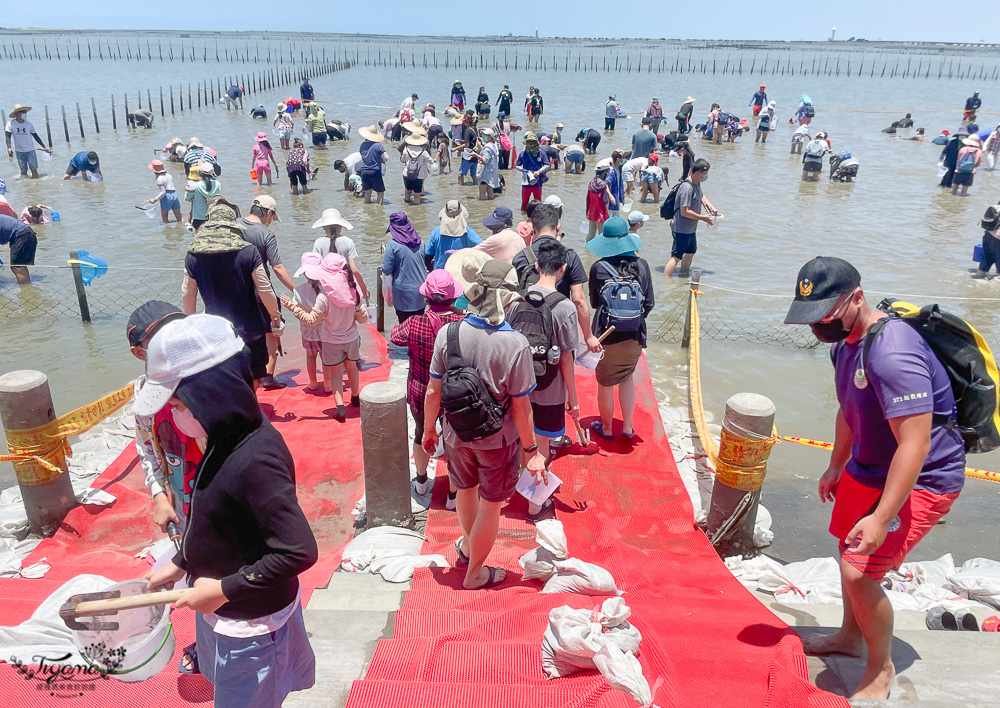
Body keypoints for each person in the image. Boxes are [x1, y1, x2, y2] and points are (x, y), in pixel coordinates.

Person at [783, 257, 965, 700]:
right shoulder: (843, 344)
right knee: (845, 548)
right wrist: (836, 463)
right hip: (867, 465)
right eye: (810, 318)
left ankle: (881, 669)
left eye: (825, 315)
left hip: (923, 477)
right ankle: (849, 636)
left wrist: (883, 517)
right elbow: (849, 408)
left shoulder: (892, 353)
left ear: (857, 299)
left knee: (859, 570)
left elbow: (916, 445)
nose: (818, 326)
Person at [139, 314, 318, 707]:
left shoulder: (256, 460)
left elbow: (298, 550)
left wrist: (222, 589)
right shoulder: (220, 437)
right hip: (221, 609)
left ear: (213, 395)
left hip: (252, 627)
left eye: (180, 404)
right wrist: (183, 561)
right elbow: (214, 519)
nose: (175, 415)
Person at [423, 259, 546, 589]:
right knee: (491, 504)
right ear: (505, 298)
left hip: (456, 433)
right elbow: (521, 408)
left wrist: (427, 430)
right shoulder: (515, 344)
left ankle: (467, 545)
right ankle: (475, 572)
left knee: (466, 489)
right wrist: (531, 450)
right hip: (496, 441)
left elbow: (433, 389)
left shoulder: (449, 332)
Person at [507, 239, 580, 522]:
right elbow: (567, 358)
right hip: (550, 389)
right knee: (543, 446)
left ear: (536, 267)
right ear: (562, 269)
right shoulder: (565, 308)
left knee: (520, 440)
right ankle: (535, 507)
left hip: (519, 387)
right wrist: (572, 397)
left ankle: (513, 485)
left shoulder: (517, 301)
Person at [181, 197, 281, 386]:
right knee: (252, 375)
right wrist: (275, 316)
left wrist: (190, 322)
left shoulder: (193, 254)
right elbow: (264, 287)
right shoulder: (248, 251)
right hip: (250, 327)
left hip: (215, 328)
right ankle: (251, 408)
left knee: (225, 375)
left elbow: (188, 292)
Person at [390, 271, 464, 510]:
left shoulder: (414, 323)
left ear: (426, 298)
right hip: (455, 392)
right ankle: (453, 495)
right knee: (455, 442)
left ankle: (421, 481)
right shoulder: (462, 325)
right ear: (452, 299)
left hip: (421, 391)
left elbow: (394, 337)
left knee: (422, 433)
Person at [127, 301, 198, 535]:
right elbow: (146, 447)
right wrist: (159, 496)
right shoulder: (143, 396)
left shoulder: (204, 378)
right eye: (160, 341)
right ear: (139, 353)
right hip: (182, 497)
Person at [586, 216, 654, 441]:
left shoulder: (598, 268)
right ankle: (627, 428)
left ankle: (606, 429)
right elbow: (649, 303)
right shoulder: (642, 265)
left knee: (605, 384)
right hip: (635, 336)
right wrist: (632, 318)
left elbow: (595, 303)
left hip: (607, 336)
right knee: (627, 377)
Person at [282, 253, 368, 419]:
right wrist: (361, 312)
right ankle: (355, 397)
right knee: (351, 368)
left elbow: (311, 321)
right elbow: (361, 317)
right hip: (351, 338)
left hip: (331, 341)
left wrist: (292, 307)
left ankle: (340, 408)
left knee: (335, 373)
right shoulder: (353, 290)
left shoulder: (324, 296)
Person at [513, 203, 602, 353]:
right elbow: (579, 300)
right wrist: (589, 336)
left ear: (533, 230)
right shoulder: (569, 256)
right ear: (558, 227)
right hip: (560, 324)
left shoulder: (520, 257)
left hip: (528, 327)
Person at [239, 195, 294, 389]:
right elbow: (277, 267)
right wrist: (295, 289)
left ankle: (243, 376)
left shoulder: (234, 226)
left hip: (236, 291)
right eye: (272, 217)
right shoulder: (265, 234)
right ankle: (267, 377)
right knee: (271, 332)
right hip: (260, 292)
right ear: (268, 213)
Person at [664, 158, 718, 278]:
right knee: (676, 257)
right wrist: (703, 218)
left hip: (691, 229)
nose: (705, 177)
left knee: (690, 253)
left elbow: (701, 195)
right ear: (697, 173)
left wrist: (711, 207)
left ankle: (683, 276)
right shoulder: (687, 188)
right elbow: (685, 211)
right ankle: (667, 282)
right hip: (681, 228)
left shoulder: (697, 183)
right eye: (704, 175)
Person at [311, 209, 370, 301]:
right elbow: (354, 270)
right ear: (340, 226)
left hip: (325, 290)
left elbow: (313, 270)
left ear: (323, 227)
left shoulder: (318, 243)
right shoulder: (348, 242)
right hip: (345, 289)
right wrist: (364, 288)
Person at [288, 253, 326, 392]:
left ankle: (313, 383)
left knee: (311, 357)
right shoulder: (325, 289)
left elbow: (295, 308)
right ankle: (328, 384)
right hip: (325, 330)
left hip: (307, 331)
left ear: (304, 273)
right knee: (325, 357)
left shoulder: (299, 290)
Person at [382, 212, 428, 323]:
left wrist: (386, 253)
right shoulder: (420, 242)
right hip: (421, 292)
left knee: (404, 328)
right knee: (418, 327)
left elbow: (386, 269)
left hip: (403, 295)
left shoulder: (392, 245)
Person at [425, 200, 482, 270]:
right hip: (460, 273)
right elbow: (483, 248)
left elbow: (428, 257)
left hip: (441, 273)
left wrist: (432, 271)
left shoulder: (436, 232)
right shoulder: (467, 232)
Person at [5, 105, 50, 179]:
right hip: (19, 151)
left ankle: (36, 185)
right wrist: (9, 147)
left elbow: (36, 136)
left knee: (34, 169)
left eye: (25, 112)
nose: (25, 114)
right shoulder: (10, 124)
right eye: (23, 112)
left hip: (30, 150)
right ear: (17, 114)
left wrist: (44, 147)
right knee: (23, 171)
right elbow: (8, 137)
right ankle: (25, 187)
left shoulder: (29, 125)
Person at [515, 133, 549, 212]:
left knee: (538, 202)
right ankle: (524, 218)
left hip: (538, 181)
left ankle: (538, 217)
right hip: (526, 181)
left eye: (533, 142)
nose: (531, 144)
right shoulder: (523, 154)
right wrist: (524, 170)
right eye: (529, 142)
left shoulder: (541, 153)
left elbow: (547, 165)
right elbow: (517, 165)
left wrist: (539, 171)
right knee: (524, 203)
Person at [0, 214, 37, 284]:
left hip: (22, 235)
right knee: (20, 266)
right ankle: (28, 290)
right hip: (26, 233)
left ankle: (25, 292)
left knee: (17, 268)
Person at [184, 162, 221, 230]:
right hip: (212, 215)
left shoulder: (194, 186)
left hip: (198, 217)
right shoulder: (218, 184)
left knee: (199, 238)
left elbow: (187, 198)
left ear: (200, 173)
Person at [358, 125, 389, 205]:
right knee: (380, 192)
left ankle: (367, 208)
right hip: (375, 170)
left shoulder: (362, 145)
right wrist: (381, 160)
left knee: (367, 192)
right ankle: (379, 210)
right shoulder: (378, 145)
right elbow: (386, 157)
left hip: (364, 171)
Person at [147, 159, 183, 224]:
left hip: (167, 197)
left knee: (165, 219)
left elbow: (163, 192)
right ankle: (184, 228)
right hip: (174, 194)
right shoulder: (169, 175)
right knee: (179, 217)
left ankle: (167, 232)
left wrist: (155, 200)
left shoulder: (160, 178)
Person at [400, 134, 431, 205]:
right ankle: (417, 212)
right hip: (419, 175)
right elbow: (431, 161)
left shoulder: (406, 149)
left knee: (407, 192)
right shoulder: (423, 152)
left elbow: (402, 160)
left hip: (407, 174)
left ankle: (406, 208)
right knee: (417, 196)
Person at [586, 163, 614, 241]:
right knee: (602, 235)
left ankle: (587, 250)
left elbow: (588, 198)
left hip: (591, 212)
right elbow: (605, 201)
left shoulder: (591, 183)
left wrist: (587, 210)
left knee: (591, 234)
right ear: (605, 172)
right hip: (600, 214)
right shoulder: (603, 185)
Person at [455, 114, 479, 186]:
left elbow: (467, 145)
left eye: (464, 121)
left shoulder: (467, 131)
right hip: (475, 155)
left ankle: (461, 189)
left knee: (461, 173)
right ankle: (476, 187)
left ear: (466, 122)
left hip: (468, 155)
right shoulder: (474, 129)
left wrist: (455, 148)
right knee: (473, 175)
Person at [477, 128, 501, 200]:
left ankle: (483, 208)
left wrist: (475, 155)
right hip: (492, 173)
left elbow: (484, 160)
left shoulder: (487, 147)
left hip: (485, 173)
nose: (483, 136)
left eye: (485, 135)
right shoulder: (494, 146)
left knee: (482, 192)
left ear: (490, 137)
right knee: (490, 191)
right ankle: (490, 206)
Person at [605, 150, 625, 218]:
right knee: (609, 219)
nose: (623, 160)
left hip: (617, 198)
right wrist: (610, 196)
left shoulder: (619, 168)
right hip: (611, 201)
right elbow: (605, 185)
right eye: (622, 158)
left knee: (616, 218)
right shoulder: (611, 171)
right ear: (618, 159)